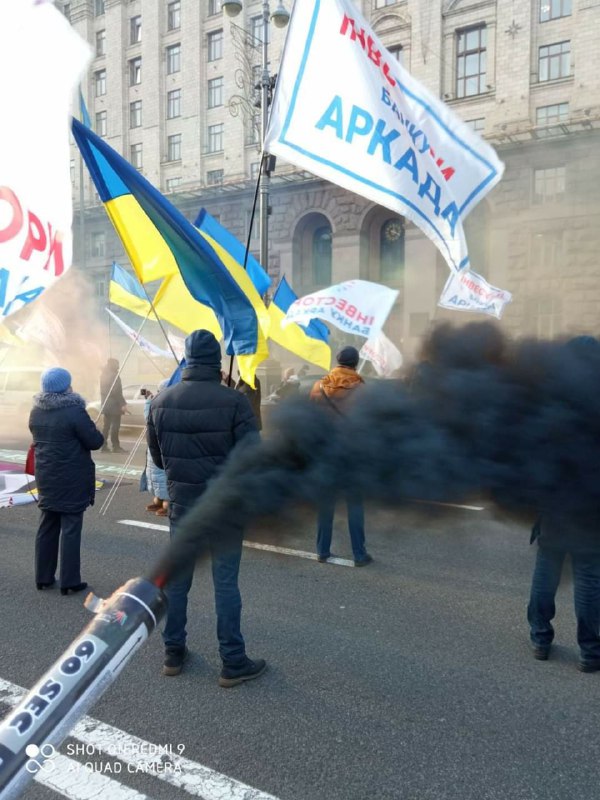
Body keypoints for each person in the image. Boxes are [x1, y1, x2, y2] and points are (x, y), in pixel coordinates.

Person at [147, 329, 266, 685]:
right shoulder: (234, 402)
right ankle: (232, 661)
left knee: (178, 582)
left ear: (187, 359)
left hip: (183, 507)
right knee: (226, 585)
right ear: (217, 361)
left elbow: (158, 457)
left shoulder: (160, 402)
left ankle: (173, 652)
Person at [527, 336, 600, 672]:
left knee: (547, 569)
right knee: (588, 577)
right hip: (590, 508)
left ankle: (541, 638)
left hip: (556, 505)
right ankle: (590, 650)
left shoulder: (555, 401)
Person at [29, 367, 104, 595]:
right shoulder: (74, 411)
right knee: (71, 527)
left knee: (47, 525)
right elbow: (95, 441)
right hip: (71, 477)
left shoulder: (36, 411)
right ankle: (70, 581)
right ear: (66, 386)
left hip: (46, 475)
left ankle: (43, 577)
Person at [309, 346, 372, 567]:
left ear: (337, 361)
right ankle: (359, 553)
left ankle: (322, 551)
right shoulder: (362, 389)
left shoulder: (318, 386)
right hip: (351, 454)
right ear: (355, 364)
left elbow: (310, 420)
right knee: (354, 504)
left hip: (325, 453)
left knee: (325, 503)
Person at [139, 385, 169, 516]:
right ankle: (161, 501)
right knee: (158, 475)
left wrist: (149, 401)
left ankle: (164, 503)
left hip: (159, 446)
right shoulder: (161, 402)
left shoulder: (160, 403)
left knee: (160, 476)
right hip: (158, 446)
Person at [99, 358, 127, 454]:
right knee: (115, 426)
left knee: (106, 426)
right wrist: (122, 404)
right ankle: (116, 446)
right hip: (114, 406)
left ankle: (103, 446)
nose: (118, 366)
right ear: (113, 365)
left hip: (106, 404)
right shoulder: (114, 376)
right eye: (117, 364)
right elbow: (116, 391)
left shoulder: (103, 375)